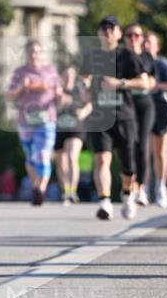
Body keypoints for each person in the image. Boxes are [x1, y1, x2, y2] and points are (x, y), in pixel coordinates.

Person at [80, 15, 148, 220]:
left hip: (124, 116)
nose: (107, 32)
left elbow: (144, 82)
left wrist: (120, 84)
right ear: (99, 33)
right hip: (100, 116)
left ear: (118, 33)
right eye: (103, 28)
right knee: (102, 160)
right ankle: (105, 202)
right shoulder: (92, 56)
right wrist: (84, 87)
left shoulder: (127, 56)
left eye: (112, 28)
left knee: (128, 166)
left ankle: (128, 195)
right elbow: (84, 83)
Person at [6, 39, 62, 206]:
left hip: (47, 119)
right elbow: (9, 96)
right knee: (30, 157)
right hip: (26, 120)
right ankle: (35, 185)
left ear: (43, 54)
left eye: (37, 51)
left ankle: (41, 189)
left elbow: (58, 91)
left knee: (43, 153)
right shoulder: (20, 72)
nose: (34, 55)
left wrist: (58, 94)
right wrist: (22, 88)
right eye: (31, 52)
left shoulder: (50, 71)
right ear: (27, 54)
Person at [144, 31, 167, 208]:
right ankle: (142, 188)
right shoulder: (137, 62)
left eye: (149, 42)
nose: (145, 45)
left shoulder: (162, 64)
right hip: (141, 110)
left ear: (156, 46)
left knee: (159, 152)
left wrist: (155, 85)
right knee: (143, 151)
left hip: (160, 110)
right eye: (144, 42)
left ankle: (160, 187)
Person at [123, 24, 156, 206]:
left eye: (137, 35)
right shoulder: (121, 57)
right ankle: (130, 185)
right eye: (130, 35)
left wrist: (138, 82)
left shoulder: (146, 57)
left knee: (142, 144)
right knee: (129, 145)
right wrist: (135, 82)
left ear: (142, 38)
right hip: (126, 104)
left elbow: (150, 81)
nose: (133, 38)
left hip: (144, 104)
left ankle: (142, 188)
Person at [54, 65, 91, 205]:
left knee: (71, 157)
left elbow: (91, 103)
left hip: (76, 128)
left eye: (71, 74)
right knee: (61, 162)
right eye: (66, 74)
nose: (69, 77)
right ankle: (65, 190)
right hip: (60, 128)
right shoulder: (57, 91)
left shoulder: (79, 89)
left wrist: (83, 113)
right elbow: (50, 110)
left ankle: (72, 192)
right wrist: (61, 104)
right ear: (62, 76)